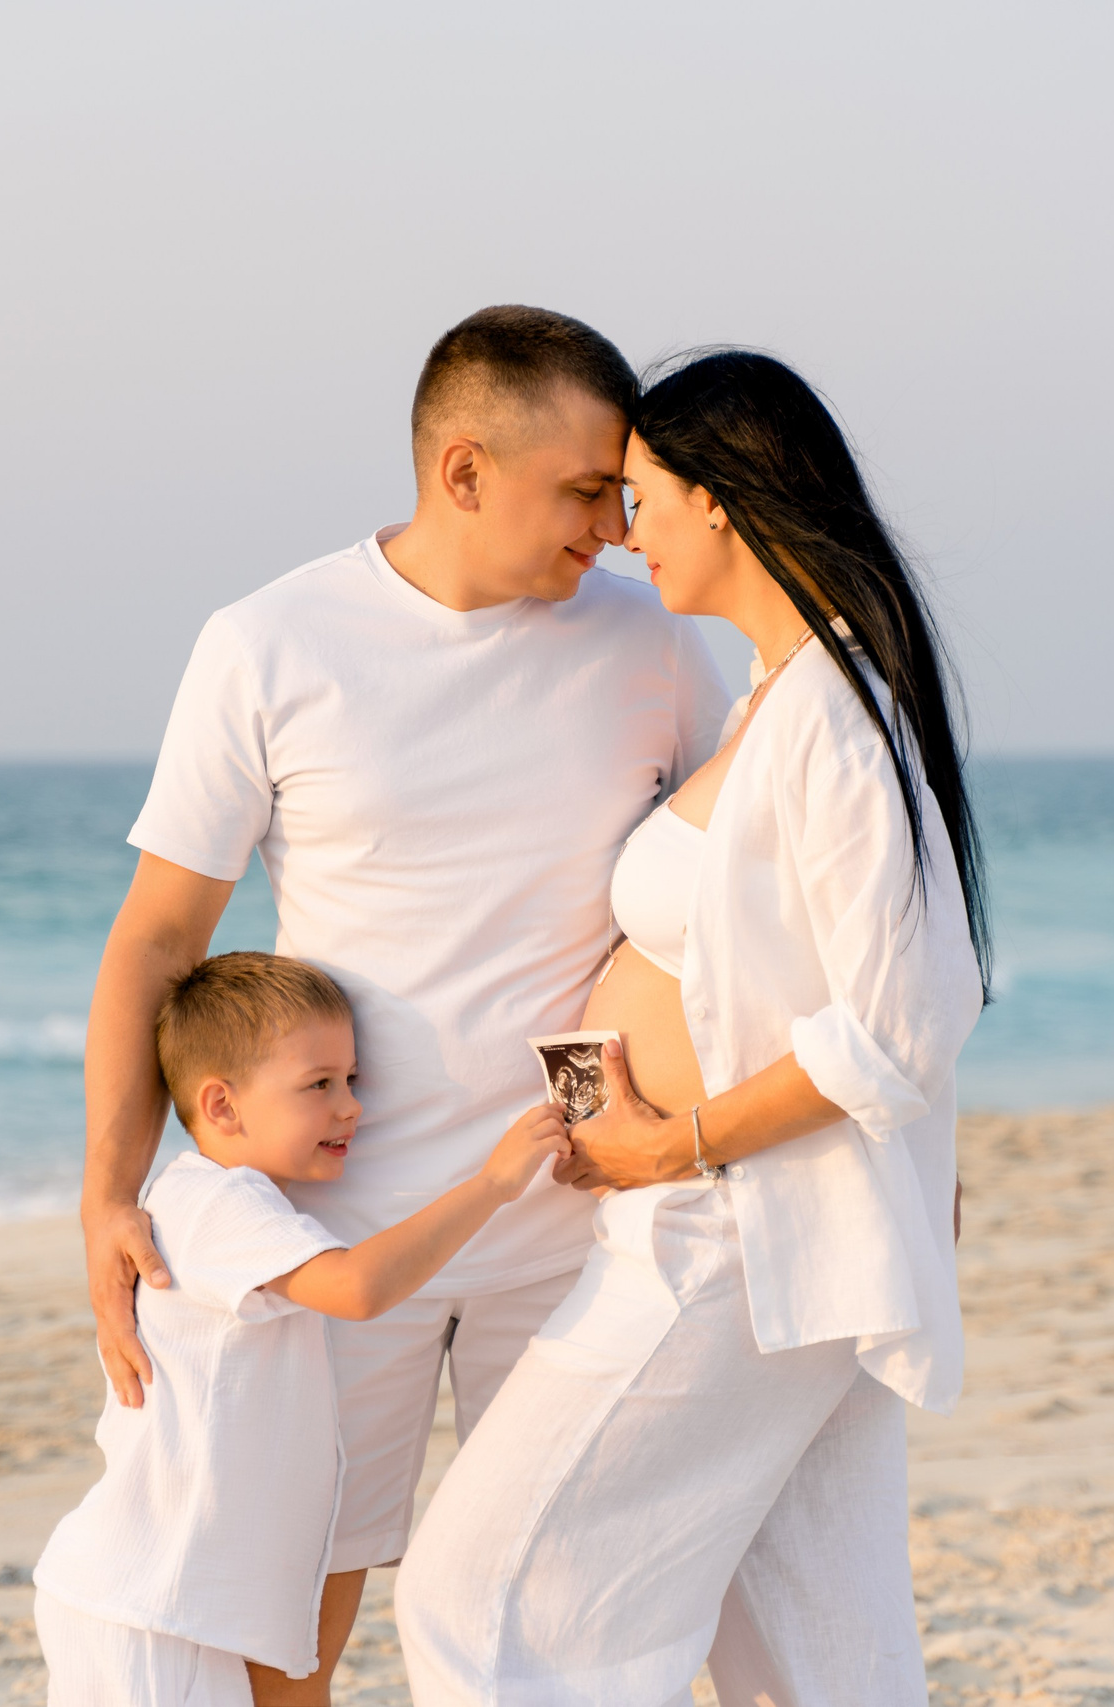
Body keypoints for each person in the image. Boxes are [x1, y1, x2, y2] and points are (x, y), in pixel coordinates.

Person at [79, 306, 732, 1699]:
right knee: (294, 1619)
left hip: (574, 1203)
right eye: (581, 491)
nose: (615, 525)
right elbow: (156, 939)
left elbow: (749, 903)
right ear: (464, 469)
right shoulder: (270, 642)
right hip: (338, 1226)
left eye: (626, 493)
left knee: (566, 1608)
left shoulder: (659, 645)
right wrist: (107, 1193)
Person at [396, 349, 995, 1706]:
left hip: (731, 1236)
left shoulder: (835, 718)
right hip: (743, 1234)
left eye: (644, 496)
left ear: (722, 501)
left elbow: (902, 1025)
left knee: (477, 1598)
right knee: (804, 1642)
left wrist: (677, 1144)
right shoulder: (782, 700)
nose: (623, 531)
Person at [33, 951, 570, 1706]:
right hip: (148, 1605)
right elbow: (356, 1287)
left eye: (351, 1080)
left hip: (177, 1603)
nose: (350, 1106)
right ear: (221, 1105)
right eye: (319, 1085)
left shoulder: (240, 1204)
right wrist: (494, 1182)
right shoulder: (218, 1206)